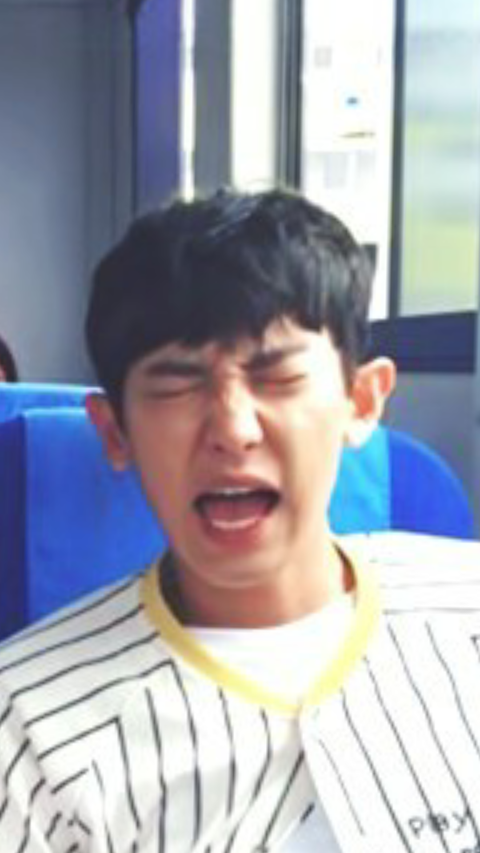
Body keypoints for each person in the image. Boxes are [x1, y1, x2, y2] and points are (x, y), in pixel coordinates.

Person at [0, 188, 479, 853]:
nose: (232, 429)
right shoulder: (28, 735)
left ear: (361, 400)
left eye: (277, 378)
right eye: (176, 387)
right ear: (115, 432)